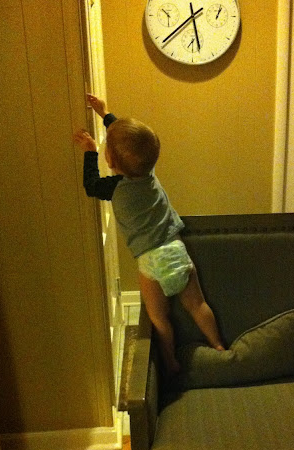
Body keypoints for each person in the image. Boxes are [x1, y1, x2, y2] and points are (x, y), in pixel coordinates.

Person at [74, 94, 224, 374]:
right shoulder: (148, 172)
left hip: (150, 261)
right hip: (175, 249)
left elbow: (91, 185)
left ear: (110, 160)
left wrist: (90, 151)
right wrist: (105, 114)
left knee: (159, 318)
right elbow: (130, 144)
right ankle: (217, 345)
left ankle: (171, 360)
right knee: (197, 305)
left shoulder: (115, 188)